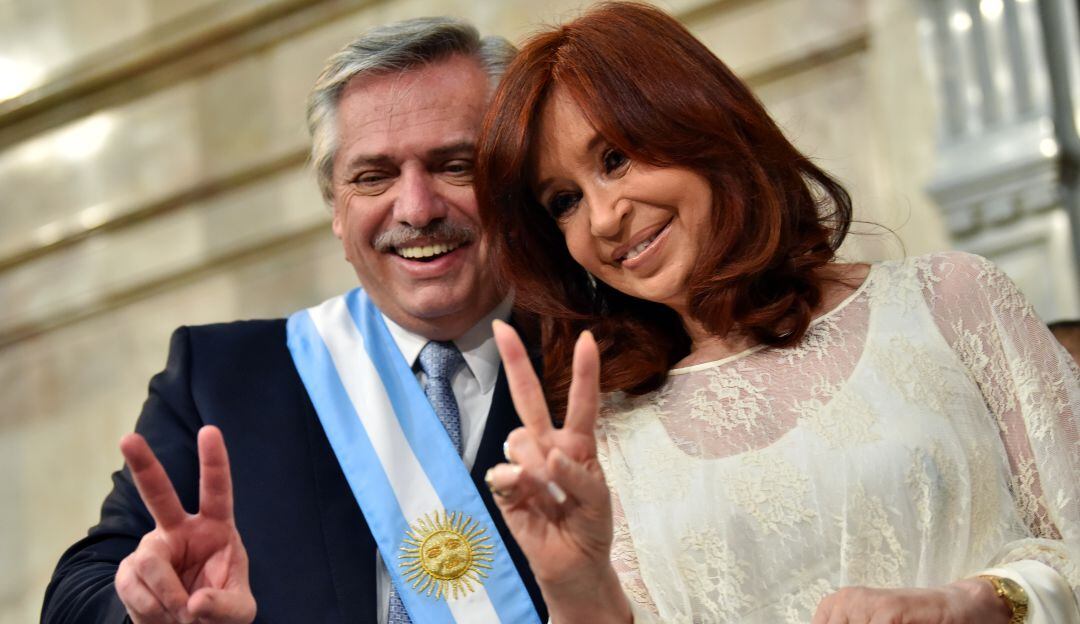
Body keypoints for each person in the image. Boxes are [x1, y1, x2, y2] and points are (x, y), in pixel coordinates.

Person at [474, 3, 1080, 623]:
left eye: (614, 159)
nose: (603, 218)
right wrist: (576, 590)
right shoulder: (610, 440)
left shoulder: (951, 299)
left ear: (696, 117)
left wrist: (985, 600)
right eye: (564, 201)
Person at [41, 17, 548, 624]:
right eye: (373, 176)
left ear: (516, 178)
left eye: (455, 165)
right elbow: (75, 596)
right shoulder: (219, 380)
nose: (416, 208)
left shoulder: (616, 353)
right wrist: (148, 608)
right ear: (337, 211)